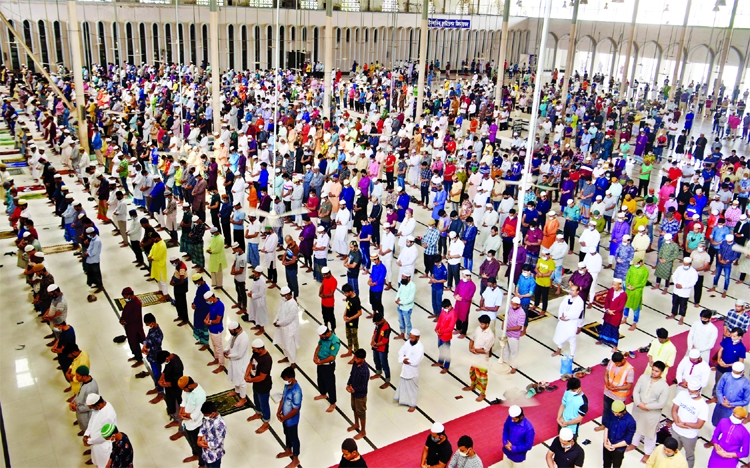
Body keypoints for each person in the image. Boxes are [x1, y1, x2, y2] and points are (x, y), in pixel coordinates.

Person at [628, 361, 670, 463]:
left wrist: (646, 406)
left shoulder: (664, 386)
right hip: (638, 408)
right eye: (653, 370)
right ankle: (634, 444)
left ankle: (648, 454)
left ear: (662, 372)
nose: (654, 372)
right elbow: (636, 391)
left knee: (649, 434)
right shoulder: (643, 377)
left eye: (657, 371)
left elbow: (661, 403)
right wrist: (638, 403)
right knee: (636, 428)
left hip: (651, 413)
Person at [671, 378, 708, 468]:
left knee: (689, 456)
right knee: (672, 451)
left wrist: (684, 424)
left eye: (693, 392)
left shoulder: (703, 406)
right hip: (676, 430)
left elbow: (699, 425)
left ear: (699, 390)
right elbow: (674, 410)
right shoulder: (682, 394)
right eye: (689, 391)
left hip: (689, 436)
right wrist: (676, 421)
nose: (690, 393)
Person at [596, 352, 635, 433]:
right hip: (608, 391)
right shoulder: (611, 362)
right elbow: (606, 374)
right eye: (615, 363)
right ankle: (604, 425)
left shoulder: (629, 369)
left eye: (618, 363)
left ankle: (618, 428)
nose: (616, 365)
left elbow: (628, 386)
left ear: (623, 360)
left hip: (619, 395)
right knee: (606, 409)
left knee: (619, 413)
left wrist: (616, 388)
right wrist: (607, 384)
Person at [461, 314, 494, 401]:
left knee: (482, 377)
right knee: (472, 372)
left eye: (483, 324)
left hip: (482, 359)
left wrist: (474, 350)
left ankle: (482, 394)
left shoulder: (490, 336)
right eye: (480, 323)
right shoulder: (478, 329)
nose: (481, 325)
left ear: (487, 324)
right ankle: (472, 386)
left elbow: (486, 350)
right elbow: (472, 339)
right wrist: (470, 348)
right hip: (474, 356)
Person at [711, 328, 747, 402]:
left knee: (727, 386)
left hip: (730, 371)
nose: (732, 338)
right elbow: (720, 350)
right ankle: (715, 397)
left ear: (740, 337)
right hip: (720, 367)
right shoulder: (727, 340)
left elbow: (740, 363)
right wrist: (719, 360)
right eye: (731, 335)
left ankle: (724, 399)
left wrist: (728, 365)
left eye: (734, 336)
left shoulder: (742, 348)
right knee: (717, 383)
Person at [245, 338, 273, 433]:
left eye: (255, 349)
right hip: (256, 383)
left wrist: (250, 380)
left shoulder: (267, 360)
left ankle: (266, 422)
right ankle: (258, 413)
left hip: (263, 385)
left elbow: (262, 377)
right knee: (256, 399)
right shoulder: (256, 353)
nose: (253, 351)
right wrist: (246, 374)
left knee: (264, 403)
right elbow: (251, 363)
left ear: (261, 349)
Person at [277, 366, 302, 468]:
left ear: (291, 378)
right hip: (285, 418)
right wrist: (278, 411)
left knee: (294, 438)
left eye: (286, 379)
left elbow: (296, 410)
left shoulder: (297, 391)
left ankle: (295, 459)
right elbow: (283, 397)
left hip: (292, 420)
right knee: (286, 433)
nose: (285, 381)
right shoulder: (287, 386)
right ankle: (288, 451)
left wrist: (285, 417)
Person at [711, 361, 750, 427]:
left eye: (737, 373)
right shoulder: (726, 375)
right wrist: (721, 401)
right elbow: (719, 388)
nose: (735, 374)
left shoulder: (746, 384)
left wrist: (731, 404)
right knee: (716, 424)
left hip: (733, 410)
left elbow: (745, 401)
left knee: (728, 427)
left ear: (743, 372)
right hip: (720, 406)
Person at [83, 394, 118, 468]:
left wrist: (89, 441)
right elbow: (92, 420)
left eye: (91, 408)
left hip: (103, 445)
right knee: (96, 458)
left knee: (102, 464)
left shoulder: (108, 416)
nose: (91, 410)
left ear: (98, 405)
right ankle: (94, 460)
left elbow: (104, 436)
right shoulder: (98, 408)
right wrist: (87, 433)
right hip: (94, 441)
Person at [394, 329, 424, 412]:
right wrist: (403, 359)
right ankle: (403, 400)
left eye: (413, 338)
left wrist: (406, 359)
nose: (411, 339)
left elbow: (415, 361)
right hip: (405, 369)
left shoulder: (420, 348)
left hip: (412, 372)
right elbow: (400, 352)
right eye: (410, 337)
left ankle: (413, 404)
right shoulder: (407, 343)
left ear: (418, 338)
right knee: (403, 385)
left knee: (412, 389)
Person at [551, 284, 584, 358]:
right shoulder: (567, 298)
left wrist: (567, 318)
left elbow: (577, 313)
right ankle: (558, 350)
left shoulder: (580, 301)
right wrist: (560, 316)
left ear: (578, 291)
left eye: (573, 290)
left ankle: (572, 355)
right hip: (562, 321)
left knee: (572, 339)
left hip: (571, 323)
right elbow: (561, 307)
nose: (571, 292)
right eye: (571, 290)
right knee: (561, 335)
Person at [602, 400, 636, 468]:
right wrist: (605, 442)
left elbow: (628, 441)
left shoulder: (631, 422)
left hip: (619, 449)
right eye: (613, 412)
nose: (614, 414)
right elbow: (607, 427)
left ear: (622, 411)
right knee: (606, 464)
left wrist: (613, 446)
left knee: (616, 466)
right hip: (607, 444)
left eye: (616, 413)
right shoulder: (611, 412)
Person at [313, 325, 340, 413]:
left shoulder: (335, 342)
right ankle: (323, 394)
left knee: (330, 383)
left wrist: (321, 362)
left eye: (321, 336)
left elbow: (332, 357)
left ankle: (333, 402)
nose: (320, 338)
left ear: (326, 333)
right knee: (320, 379)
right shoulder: (323, 338)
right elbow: (318, 347)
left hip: (328, 365)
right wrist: (315, 357)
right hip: (320, 363)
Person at [224, 321, 250, 408]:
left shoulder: (244, 338)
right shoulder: (235, 334)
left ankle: (243, 398)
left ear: (237, 329)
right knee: (235, 377)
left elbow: (240, 354)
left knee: (242, 381)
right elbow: (229, 343)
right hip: (233, 360)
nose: (230, 333)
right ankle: (237, 391)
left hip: (240, 362)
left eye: (231, 331)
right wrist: (226, 350)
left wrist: (229, 355)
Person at [596, 279, 628, 351]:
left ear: (620, 285)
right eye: (613, 284)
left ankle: (615, 346)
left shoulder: (624, 295)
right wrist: (607, 309)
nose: (613, 286)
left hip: (616, 316)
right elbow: (607, 300)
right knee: (605, 326)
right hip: (608, 313)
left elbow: (621, 306)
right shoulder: (611, 290)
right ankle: (601, 340)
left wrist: (613, 311)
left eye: (615, 285)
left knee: (614, 330)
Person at [346, 348, 370, 440]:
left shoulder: (365, 371)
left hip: (360, 395)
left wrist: (354, 390)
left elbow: (364, 386)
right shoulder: (355, 364)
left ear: (363, 359)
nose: (356, 360)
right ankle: (356, 424)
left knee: (361, 412)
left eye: (358, 359)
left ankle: (363, 431)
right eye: (355, 358)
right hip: (354, 391)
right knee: (354, 408)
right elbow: (352, 375)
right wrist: (348, 384)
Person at [141, 313, 164, 405]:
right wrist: (144, 345)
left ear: (153, 322)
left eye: (148, 324)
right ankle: (157, 387)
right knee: (155, 374)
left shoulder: (159, 333)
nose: (148, 326)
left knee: (157, 374)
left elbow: (157, 346)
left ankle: (161, 393)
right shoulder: (151, 330)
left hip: (156, 357)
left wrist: (148, 349)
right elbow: (147, 338)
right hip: (151, 357)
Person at [274, 286, 300, 367]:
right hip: (282, 327)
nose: (282, 297)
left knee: (289, 345)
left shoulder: (293, 304)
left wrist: (279, 323)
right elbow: (279, 312)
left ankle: (292, 362)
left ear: (288, 295)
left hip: (289, 328)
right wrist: (275, 320)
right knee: (283, 343)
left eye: (283, 295)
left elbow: (289, 319)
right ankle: (286, 357)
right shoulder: (284, 302)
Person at [119, 287, 145, 368]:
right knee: (131, 342)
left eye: (125, 297)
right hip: (129, 327)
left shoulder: (137, 303)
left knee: (135, 343)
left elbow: (135, 317)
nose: (125, 299)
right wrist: (122, 319)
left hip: (134, 327)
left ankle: (140, 360)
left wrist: (125, 321)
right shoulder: (130, 301)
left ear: (129, 295)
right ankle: (136, 356)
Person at [667, 258, 698, 325]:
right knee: (674, 303)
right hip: (676, 290)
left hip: (685, 292)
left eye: (686, 264)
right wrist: (676, 283)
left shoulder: (693, 272)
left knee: (683, 305)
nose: (684, 265)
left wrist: (683, 286)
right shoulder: (679, 268)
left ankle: (682, 317)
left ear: (689, 264)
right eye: (683, 263)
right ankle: (673, 314)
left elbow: (692, 283)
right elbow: (674, 276)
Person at [70, 366, 98, 436]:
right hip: (80, 408)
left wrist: (77, 408)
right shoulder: (84, 381)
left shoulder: (91, 389)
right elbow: (80, 393)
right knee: (81, 421)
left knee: (86, 426)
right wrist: (73, 402)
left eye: (78, 376)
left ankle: (85, 432)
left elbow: (90, 406)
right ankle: (81, 426)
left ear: (84, 376)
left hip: (86, 414)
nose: (76, 377)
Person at [197, 401, 226, 468]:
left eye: (206, 416)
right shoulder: (208, 417)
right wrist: (199, 439)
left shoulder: (220, 425)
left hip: (214, 455)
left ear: (213, 413)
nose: (205, 417)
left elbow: (217, 442)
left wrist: (204, 444)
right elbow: (203, 426)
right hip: (205, 452)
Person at [623, 258, 649, 331]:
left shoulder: (645, 271)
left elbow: (643, 283)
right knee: (626, 305)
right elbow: (628, 276)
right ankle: (625, 318)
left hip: (637, 291)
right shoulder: (632, 267)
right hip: (629, 289)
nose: (635, 265)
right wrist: (628, 284)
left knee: (636, 308)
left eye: (636, 263)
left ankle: (634, 323)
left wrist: (635, 287)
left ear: (641, 263)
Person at [204, 291, 226, 373]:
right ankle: (216, 358)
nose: (207, 302)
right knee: (214, 345)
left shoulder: (220, 306)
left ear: (212, 297)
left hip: (217, 329)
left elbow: (217, 320)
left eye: (207, 300)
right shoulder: (212, 303)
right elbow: (210, 312)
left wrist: (209, 322)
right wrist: (206, 318)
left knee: (218, 347)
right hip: (211, 329)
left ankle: (222, 364)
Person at [434, 299, 458, 374]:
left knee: (447, 352)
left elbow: (450, 328)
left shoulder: (453, 315)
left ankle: (446, 366)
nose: (444, 309)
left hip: (446, 336)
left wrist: (441, 331)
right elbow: (440, 319)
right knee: (440, 348)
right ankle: (440, 362)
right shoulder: (443, 311)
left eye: (445, 308)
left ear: (449, 306)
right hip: (440, 334)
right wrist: (436, 328)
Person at [342, 283, 363, 358]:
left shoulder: (356, 300)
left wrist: (351, 318)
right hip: (347, 320)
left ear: (351, 292)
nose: (345, 294)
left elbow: (360, 313)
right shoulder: (348, 297)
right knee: (348, 336)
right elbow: (347, 307)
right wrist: (344, 315)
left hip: (353, 322)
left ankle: (356, 356)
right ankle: (349, 351)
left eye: (346, 293)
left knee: (354, 339)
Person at [247, 266, 269, 334]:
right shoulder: (256, 278)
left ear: (260, 273)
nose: (255, 274)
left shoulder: (262, 281)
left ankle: (262, 329)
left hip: (259, 300)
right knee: (255, 312)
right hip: (254, 300)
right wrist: (250, 291)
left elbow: (260, 293)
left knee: (260, 314)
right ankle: (257, 325)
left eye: (256, 273)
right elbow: (253, 285)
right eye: (255, 272)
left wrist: (252, 295)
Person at [394, 274, 416, 340]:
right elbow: (399, 292)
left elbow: (410, 299)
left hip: (406, 308)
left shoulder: (412, 286)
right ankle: (402, 334)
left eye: (404, 277)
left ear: (408, 278)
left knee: (407, 323)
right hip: (399, 306)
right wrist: (396, 299)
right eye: (402, 277)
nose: (402, 278)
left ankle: (409, 337)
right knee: (400, 321)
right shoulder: (402, 283)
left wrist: (400, 302)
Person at [170, 255, 190, 326]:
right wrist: (172, 279)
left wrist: (174, 284)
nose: (172, 264)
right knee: (178, 302)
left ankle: (185, 319)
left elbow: (181, 280)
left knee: (182, 303)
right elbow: (175, 273)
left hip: (181, 286)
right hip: (177, 285)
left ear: (176, 260)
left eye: (172, 262)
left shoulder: (182, 268)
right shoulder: (178, 265)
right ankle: (180, 315)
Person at [230, 243, 247, 315]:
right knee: (237, 290)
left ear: (238, 248)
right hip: (236, 277)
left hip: (240, 278)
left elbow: (241, 270)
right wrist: (232, 269)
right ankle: (239, 302)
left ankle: (244, 307)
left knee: (242, 292)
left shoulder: (243, 258)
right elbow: (234, 263)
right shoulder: (237, 254)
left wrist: (234, 273)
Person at [320, 267, 338, 331]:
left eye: (325, 275)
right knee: (324, 315)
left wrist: (323, 295)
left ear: (329, 273)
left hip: (329, 303)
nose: (324, 276)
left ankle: (333, 329)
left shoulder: (334, 281)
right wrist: (320, 292)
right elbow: (322, 285)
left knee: (331, 317)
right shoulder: (325, 278)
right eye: (323, 275)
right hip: (323, 302)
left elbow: (331, 294)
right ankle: (326, 326)